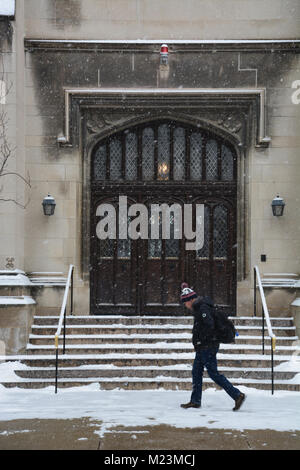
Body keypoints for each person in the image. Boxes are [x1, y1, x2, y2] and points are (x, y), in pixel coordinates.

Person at [180, 282, 246, 411]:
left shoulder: (202, 308)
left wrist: (202, 341)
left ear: (190, 300)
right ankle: (195, 401)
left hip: (207, 346)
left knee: (213, 374)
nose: (185, 305)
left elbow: (209, 326)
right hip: (203, 347)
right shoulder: (199, 308)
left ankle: (237, 395)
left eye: (185, 302)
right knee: (196, 372)